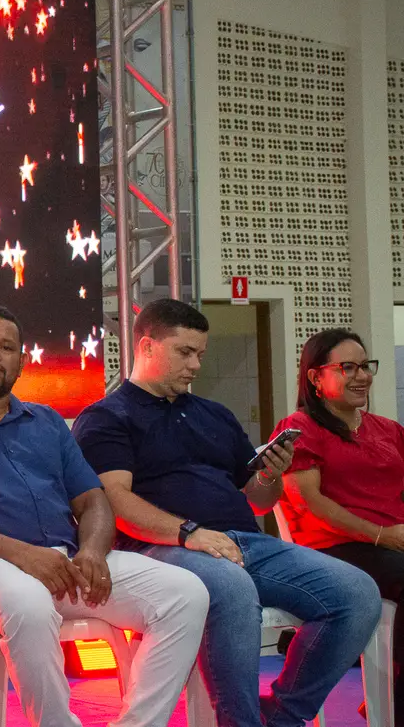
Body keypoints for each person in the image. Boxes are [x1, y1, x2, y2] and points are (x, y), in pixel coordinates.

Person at [0, 304, 209, 727]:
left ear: (22, 361)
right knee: (27, 600)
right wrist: (25, 555)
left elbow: (93, 500)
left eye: (7, 347)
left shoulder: (45, 421)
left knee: (187, 593)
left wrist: (92, 551)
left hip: (65, 564)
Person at [73, 299, 382, 727]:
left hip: (243, 543)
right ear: (146, 346)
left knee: (358, 593)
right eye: (185, 352)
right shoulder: (107, 417)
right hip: (159, 549)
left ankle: (281, 717)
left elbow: (257, 500)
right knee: (231, 586)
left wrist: (270, 475)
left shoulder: (214, 414)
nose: (196, 365)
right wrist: (189, 533)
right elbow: (115, 502)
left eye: (200, 354)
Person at [274, 328, 404, 725]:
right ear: (316, 377)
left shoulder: (387, 430)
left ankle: (393, 694)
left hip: (392, 542)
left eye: (366, 366)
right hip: (333, 549)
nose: (362, 376)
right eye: (348, 367)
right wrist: (382, 535)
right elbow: (310, 503)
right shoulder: (299, 428)